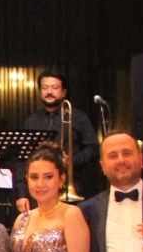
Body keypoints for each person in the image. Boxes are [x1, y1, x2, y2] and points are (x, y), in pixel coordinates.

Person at [14, 72, 100, 212]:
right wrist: (21, 194)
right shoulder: (31, 121)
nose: (49, 92)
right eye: (45, 87)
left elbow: (93, 148)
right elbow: (22, 159)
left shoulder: (78, 117)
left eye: (54, 87)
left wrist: (71, 161)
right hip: (39, 191)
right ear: (40, 91)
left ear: (64, 92)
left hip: (72, 187)